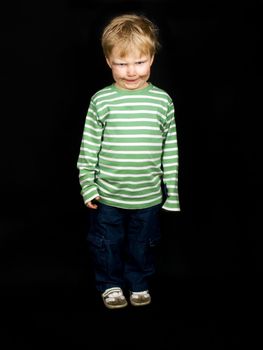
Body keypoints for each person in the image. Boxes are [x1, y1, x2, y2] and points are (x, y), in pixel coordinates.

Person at [77, 13, 180, 309]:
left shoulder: (162, 101)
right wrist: (88, 185)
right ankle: (109, 284)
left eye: (139, 62)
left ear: (151, 59)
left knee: (142, 245)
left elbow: (170, 149)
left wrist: (170, 193)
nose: (131, 71)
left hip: (147, 196)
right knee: (106, 244)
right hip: (108, 195)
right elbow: (88, 148)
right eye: (121, 63)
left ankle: (138, 283)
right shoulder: (101, 100)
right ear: (109, 62)